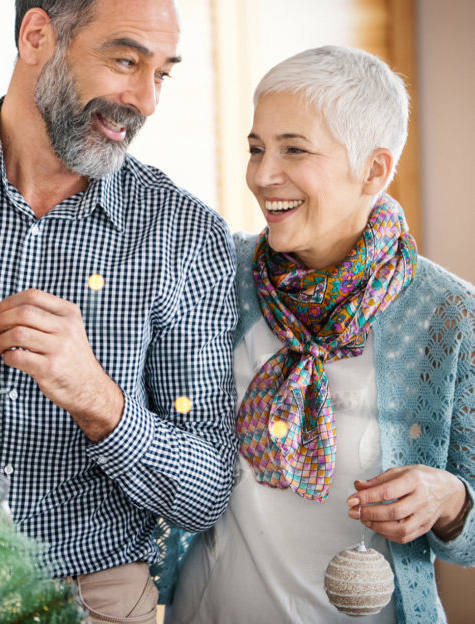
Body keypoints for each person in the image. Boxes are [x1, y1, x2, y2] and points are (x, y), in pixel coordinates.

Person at [0, 0, 239, 621]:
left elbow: (206, 492)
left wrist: (101, 401)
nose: (146, 101)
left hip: (92, 599)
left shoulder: (186, 235)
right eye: (126, 61)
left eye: (162, 74)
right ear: (37, 35)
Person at [167, 45, 475, 623]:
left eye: (294, 150)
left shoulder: (449, 317)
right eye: (256, 149)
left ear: (374, 170)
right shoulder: (219, 274)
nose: (261, 176)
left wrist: (450, 500)